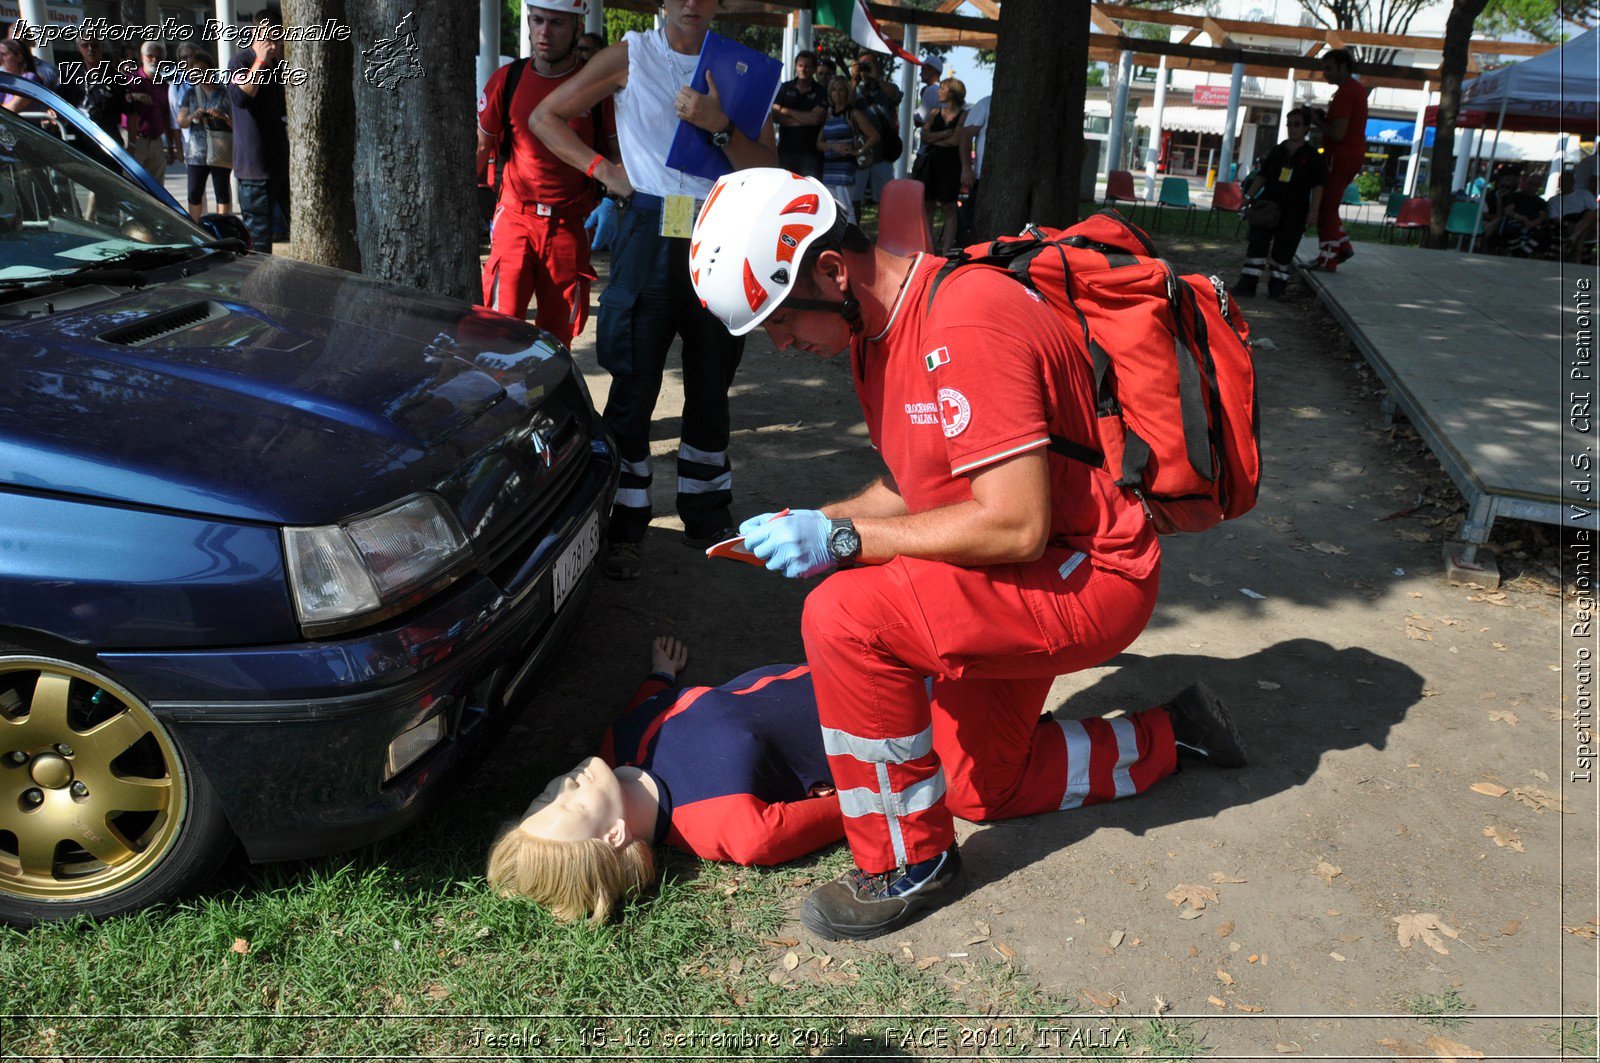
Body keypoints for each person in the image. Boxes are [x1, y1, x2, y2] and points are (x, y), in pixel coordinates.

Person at [687, 170, 1247, 941]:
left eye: (781, 322)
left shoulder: (966, 321)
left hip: (1089, 572)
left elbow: (1015, 524)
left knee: (845, 613)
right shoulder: (873, 334)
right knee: (985, 784)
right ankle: (1172, 734)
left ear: (831, 270)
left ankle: (905, 862)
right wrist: (820, 517)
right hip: (1031, 568)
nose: (782, 345)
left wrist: (844, 544)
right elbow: (916, 484)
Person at [488, 636, 1244, 923]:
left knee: (997, 725)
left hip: (877, 653)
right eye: (565, 806)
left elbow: (650, 703)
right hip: (909, 710)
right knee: (992, 772)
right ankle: (1171, 735)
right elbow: (857, 808)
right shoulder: (726, 827)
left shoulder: (621, 739)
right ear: (615, 835)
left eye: (541, 794)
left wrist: (658, 671)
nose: (560, 785)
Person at [531, 0, 778, 581]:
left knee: (713, 373)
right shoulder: (632, 55)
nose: (692, 4)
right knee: (635, 377)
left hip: (723, 226)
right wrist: (603, 171)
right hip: (650, 226)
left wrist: (718, 125)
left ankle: (707, 512)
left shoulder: (740, 67)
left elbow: (768, 161)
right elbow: (546, 116)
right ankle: (623, 518)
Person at [477, 0, 612, 346]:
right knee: (497, 332)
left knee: (556, 342)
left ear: (578, 28)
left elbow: (619, 156)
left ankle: (547, 401)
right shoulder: (506, 81)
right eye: (537, 20)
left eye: (556, 23)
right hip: (514, 219)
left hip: (568, 226)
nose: (544, 32)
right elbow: (479, 149)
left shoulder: (597, 91)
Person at [1234, 106, 1323, 300]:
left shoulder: (1313, 157)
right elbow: (1262, 176)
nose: (1292, 128)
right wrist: (1248, 197)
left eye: (1297, 125)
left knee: (1284, 251)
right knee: (1257, 245)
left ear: (1306, 127)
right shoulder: (1277, 151)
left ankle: (1277, 288)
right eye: (1289, 124)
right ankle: (1247, 284)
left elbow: (1318, 186)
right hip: (1268, 207)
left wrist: (1314, 211)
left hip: (1295, 211)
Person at [228, 7, 290, 252]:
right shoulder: (241, 61)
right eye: (269, 37)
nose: (274, 44)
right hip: (254, 170)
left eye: (278, 37)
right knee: (260, 242)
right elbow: (242, 97)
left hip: (280, 166)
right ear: (257, 33)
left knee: (293, 228)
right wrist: (261, 61)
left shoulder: (279, 68)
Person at [1308, 48, 1367, 272]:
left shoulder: (1345, 93)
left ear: (1343, 67)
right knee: (1329, 206)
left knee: (1326, 207)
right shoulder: (1356, 90)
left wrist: (1317, 121)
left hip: (1339, 156)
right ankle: (1342, 245)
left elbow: (1338, 133)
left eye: (1329, 68)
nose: (1325, 73)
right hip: (1349, 155)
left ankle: (1328, 256)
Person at [176, 54, 234, 222]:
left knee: (222, 190)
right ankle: (195, 226)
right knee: (194, 191)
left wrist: (222, 116)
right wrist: (193, 116)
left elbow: (236, 124)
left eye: (203, 69)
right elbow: (181, 121)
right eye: (196, 70)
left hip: (220, 149)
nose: (200, 73)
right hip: (196, 152)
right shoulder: (191, 94)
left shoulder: (224, 93)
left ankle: (222, 226)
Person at [917, 77, 967, 254]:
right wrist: (945, 133)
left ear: (952, 93)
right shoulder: (934, 113)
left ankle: (946, 250)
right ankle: (928, 248)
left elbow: (956, 140)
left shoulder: (964, 115)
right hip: (932, 163)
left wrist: (935, 137)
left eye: (942, 88)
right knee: (928, 205)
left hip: (951, 165)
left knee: (948, 206)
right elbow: (924, 135)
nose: (938, 91)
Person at [818, 74, 876, 223]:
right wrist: (832, 146)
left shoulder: (853, 114)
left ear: (847, 92)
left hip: (845, 168)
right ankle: (836, 243)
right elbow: (819, 143)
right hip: (829, 168)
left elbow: (874, 136)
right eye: (834, 90)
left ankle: (852, 243)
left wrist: (858, 151)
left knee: (846, 208)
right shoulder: (829, 114)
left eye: (842, 90)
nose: (838, 94)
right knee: (831, 209)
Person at [124, 42, 181, 183]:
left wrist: (170, 145)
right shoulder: (129, 79)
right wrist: (134, 96)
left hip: (156, 142)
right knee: (131, 184)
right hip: (134, 140)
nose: (155, 60)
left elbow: (167, 117)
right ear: (142, 57)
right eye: (150, 56)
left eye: (159, 57)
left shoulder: (164, 86)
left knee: (157, 188)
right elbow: (119, 103)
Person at [851, 53, 901, 209]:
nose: (865, 68)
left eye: (869, 64)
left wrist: (877, 78)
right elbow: (847, 104)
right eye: (862, 65)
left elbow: (895, 96)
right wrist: (854, 80)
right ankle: (854, 232)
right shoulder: (856, 89)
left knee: (886, 199)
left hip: (882, 153)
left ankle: (885, 231)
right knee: (854, 199)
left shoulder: (887, 88)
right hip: (861, 153)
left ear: (877, 67)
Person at [772, 49, 827, 179]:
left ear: (814, 69)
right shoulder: (785, 88)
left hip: (810, 153)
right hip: (785, 151)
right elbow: (774, 115)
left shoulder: (820, 91)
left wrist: (787, 111)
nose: (803, 69)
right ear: (796, 67)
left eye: (807, 66)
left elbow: (815, 119)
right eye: (800, 66)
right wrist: (805, 119)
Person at [955, 93, 989, 245]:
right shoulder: (985, 104)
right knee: (969, 217)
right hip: (982, 176)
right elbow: (966, 135)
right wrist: (967, 167)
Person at [0, 38, 40, 113]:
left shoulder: (30, 78)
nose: (0, 58)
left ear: (19, 57)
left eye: (4, 54)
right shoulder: (4, 81)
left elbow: (13, 108)